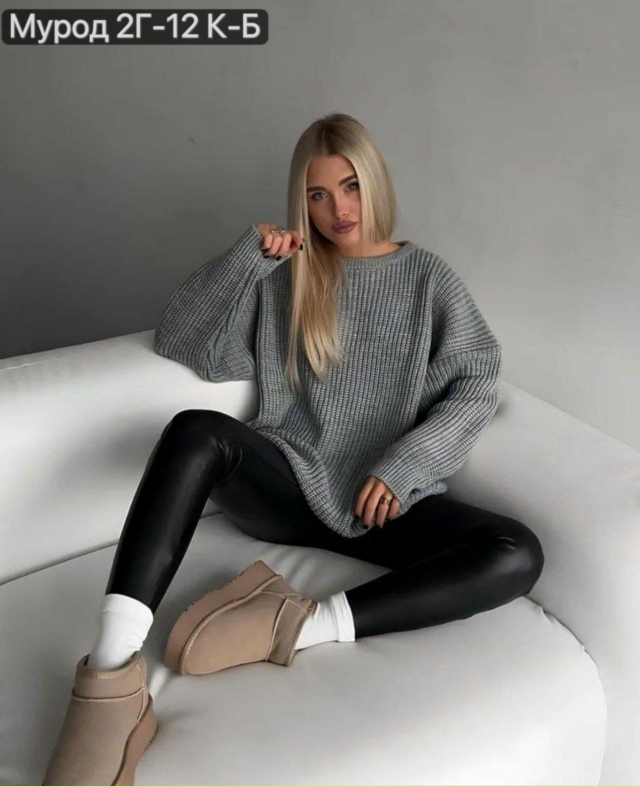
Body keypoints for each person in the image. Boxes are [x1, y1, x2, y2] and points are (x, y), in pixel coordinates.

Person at [42, 112, 544, 785]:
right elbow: (184, 343)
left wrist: (405, 466)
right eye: (318, 194)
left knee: (518, 552)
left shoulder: (429, 279)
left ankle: (298, 625)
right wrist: (245, 262)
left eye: (351, 187)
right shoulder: (288, 275)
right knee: (195, 430)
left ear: (375, 183)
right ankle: (109, 678)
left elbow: (477, 383)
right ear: (300, 201)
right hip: (288, 489)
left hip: (383, 506)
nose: (338, 209)